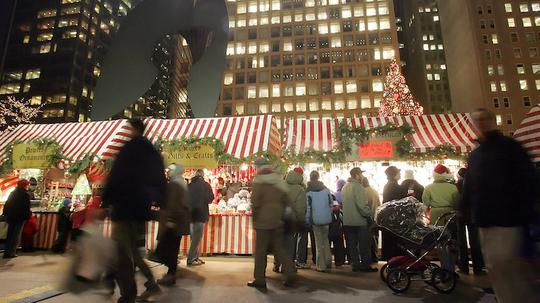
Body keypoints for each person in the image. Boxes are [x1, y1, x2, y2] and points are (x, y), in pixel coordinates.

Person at [462, 108, 540, 303]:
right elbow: (469, 185)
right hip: (485, 220)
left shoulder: (510, 147)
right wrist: (464, 209)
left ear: (492, 121)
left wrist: (527, 211)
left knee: (510, 266)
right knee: (496, 267)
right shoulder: (476, 154)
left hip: (508, 219)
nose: (482, 124)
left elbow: (527, 180)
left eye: (485, 119)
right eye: (478, 120)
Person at [102, 118, 167, 303]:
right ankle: (149, 284)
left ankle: (128, 294)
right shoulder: (152, 152)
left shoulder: (129, 149)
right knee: (133, 250)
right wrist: (160, 204)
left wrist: (105, 201)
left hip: (124, 207)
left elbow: (117, 175)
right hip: (141, 210)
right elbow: (160, 180)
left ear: (134, 129)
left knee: (122, 253)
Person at [248, 158, 295, 289]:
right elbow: (287, 201)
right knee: (279, 249)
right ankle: (290, 273)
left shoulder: (258, 182)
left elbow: (255, 202)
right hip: (277, 220)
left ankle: (259, 279)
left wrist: (255, 217)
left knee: (261, 251)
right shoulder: (279, 181)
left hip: (262, 222)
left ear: (258, 167)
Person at [153, 164, 191, 286]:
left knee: (166, 249)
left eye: (170, 170)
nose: (168, 172)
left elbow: (173, 204)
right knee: (172, 249)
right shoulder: (182, 183)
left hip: (173, 222)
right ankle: (171, 274)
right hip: (179, 222)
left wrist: (170, 220)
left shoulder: (175, 185)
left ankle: (171, 274)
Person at [422, 164, 460, 272]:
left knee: (440, 242)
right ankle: (451, 268)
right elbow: (457, 202)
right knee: (452, 241)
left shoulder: (429, 188)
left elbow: (426, 203)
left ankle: (444, 267)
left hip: (436, 215)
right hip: (451, 214)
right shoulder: (453, 187)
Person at [342, 168, 377, 272]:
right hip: (360, 221)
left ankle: (355, 264)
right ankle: (365, 265)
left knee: (352, 244)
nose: (362, 176)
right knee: (364, 244)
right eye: (361, 174)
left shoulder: (345, 186)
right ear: (357, 175)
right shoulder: (358, 187)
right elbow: (362, 206)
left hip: (348, 221)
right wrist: (369, 215)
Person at [274, 168, 306, 272]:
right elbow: (300, 209)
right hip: (290, 220)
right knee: (289, 245)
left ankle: (276, 264)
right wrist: (300, 221)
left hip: (278, 218)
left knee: (278, 243)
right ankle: (286, 267)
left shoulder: (280, 186)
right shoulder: (300, 190)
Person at [455, 168, 485, 275]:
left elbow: (458, 199)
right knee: (475, 241)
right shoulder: (475, 185)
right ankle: (478, 267)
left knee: (461, 241)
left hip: (461, 214)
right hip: (473, 215)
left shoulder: (457, 185)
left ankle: (464, 266)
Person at [306, 171, 334, 272]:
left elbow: (308, 208)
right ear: (318, 177)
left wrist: (307, 220)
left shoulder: (308, 191)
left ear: (310, 178)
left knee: (318, 243)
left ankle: (321, 266)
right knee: (326, 240)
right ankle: (328, 261)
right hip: (326, 219)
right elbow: (331, 203)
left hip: (316, 220)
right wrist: (329, 214)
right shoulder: (325, 189)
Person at [187, 169, 214, 266]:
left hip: (190, 215)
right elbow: (211, 198)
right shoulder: (206, 185)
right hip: (200, 214)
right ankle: (190, 259)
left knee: (193, 238)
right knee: (196, 238)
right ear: (202, 175)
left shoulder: (189, 185)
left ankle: (195, 257)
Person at [382, 166, 407, 261]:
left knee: (390, 242)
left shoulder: (388, 185)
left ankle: (391, 261)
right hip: (395, 219)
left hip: (389, 218)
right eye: (398, 173)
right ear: (394, 174)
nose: (400, 174)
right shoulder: (395, 186)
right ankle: (395, 262)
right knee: (395, 243)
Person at [2, 179, 31, 258]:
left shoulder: (13, 193)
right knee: (16, 235)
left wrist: (6, 214)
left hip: (11, 217)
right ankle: (12, 252)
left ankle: (7, 252)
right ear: (25, 185)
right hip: (19, 218)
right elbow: (26, 207)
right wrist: (28, 216)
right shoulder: (25, 195)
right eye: (27, 185)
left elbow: (7, 204)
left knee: (10, 234)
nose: (28, 186)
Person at [362, 177, 381, 263]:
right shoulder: (374, 191)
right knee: (375, 238)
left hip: (369, 218)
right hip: (376, 218)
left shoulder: (364, 192)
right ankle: (375, 256)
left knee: (369, 239)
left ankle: (371, 257)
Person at [328, 201, 346, 267]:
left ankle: (331, 261)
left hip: (331, 232)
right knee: (339, 247)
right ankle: (339, 261)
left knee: (329, 248)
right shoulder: (341, 213)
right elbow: (343, 221)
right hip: (337, 233)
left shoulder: (329, 212)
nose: (335, 207)